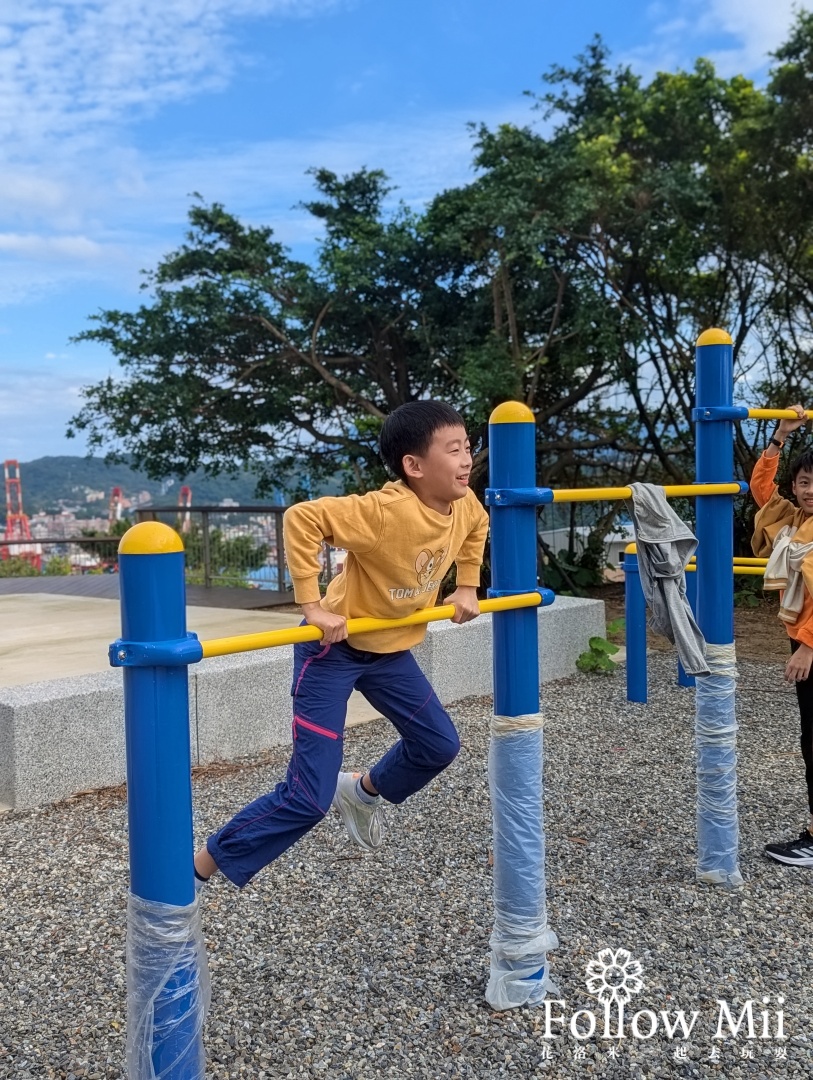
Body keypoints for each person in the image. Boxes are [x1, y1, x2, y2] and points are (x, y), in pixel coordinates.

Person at [193, 401, 490, 889]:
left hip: (390, 651)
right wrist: (312, 606)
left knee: (439, 744)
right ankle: (200, 868)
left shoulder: (464, 506)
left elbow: (476, 528)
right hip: (334, 652)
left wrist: (467, 585)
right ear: (413, 467)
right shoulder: (383, 511)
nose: (465, 460)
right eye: (453, 450)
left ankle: (361, 791)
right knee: (308, 798)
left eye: (467, 448)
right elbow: (301, 519)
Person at [750, 403, 813, 867]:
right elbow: (761, 489)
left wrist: (808, 647)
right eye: (805, 482)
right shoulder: (792, 520)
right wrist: (779, 438)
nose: (810, 491)